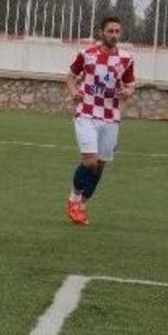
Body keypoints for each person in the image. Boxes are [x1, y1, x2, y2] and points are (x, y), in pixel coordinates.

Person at [64, 15, 135, 227]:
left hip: (111, 117)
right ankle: (74, 199)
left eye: (117, 32)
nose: (114, 35)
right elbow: (68, 77)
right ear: (102, 32)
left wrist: (127, 92)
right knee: (90, 161)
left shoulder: (126, 59)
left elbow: (131, 86)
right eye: (110, 31)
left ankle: (82, 205)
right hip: (86, 113)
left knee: (100, 167)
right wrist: (74, 91)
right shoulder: (86, 55)